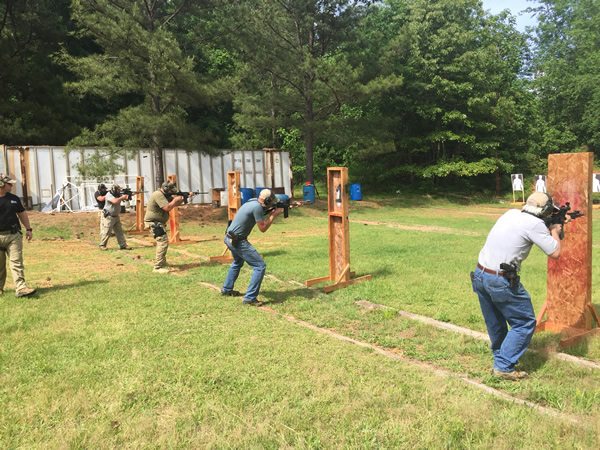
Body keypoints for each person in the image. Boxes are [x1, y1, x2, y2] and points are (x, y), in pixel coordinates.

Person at [471, 192, 566, 381]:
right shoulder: (536, 225)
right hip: (501, 280)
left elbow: (524, 228)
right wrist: (555, 229)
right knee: (524, 322)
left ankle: (501, 357)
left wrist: (547, 223)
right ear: (545, 211)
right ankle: (504, 367)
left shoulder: (511, 213)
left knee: (496, 321)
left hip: (480, 275)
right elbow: (555, 253)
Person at [221, 188, 284, 306]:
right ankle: (250, 298)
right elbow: (263, 228)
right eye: (271, 202)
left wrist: (272, 210)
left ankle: (227, 289)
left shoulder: (252, 201)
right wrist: (274, 215)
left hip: (229, 237)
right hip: (238, 241)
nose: (272, 203)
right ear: (267, 200)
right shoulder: (257, 207)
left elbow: (259, 212)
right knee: (260, 266)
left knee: (237, 263)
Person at [0, 174, 36, 297]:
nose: (11, 185)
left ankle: (21, 288)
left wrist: (29, 229)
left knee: (16, 262)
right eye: (9, 183)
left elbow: (22, 214)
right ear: (1, 184)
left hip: (13, 235)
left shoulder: (14, 198)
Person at [144, 181, 185, 273]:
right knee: (162, 242)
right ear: (166, 189)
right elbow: (167, 208)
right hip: (153, 223)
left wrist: (184, 197)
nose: (172, 193)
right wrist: (175, 199)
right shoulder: (158, 195)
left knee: (163, 241)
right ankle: (157, 267)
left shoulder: (164, 195)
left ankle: (162, 262)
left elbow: (177, 204)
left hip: (158, 222)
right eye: (171, 191)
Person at [99, 184, 132, 251]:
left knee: (119, 231)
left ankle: (123, 245)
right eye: (118, 190)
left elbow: (125, 198)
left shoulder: (117, 195)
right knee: (107, 231)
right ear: (114, 190)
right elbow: (115, 201)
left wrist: (129, 195)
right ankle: (102, 245)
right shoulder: (109, 194)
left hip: (116, 216)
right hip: (109, 216)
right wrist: (122, 197)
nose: (119, 191)